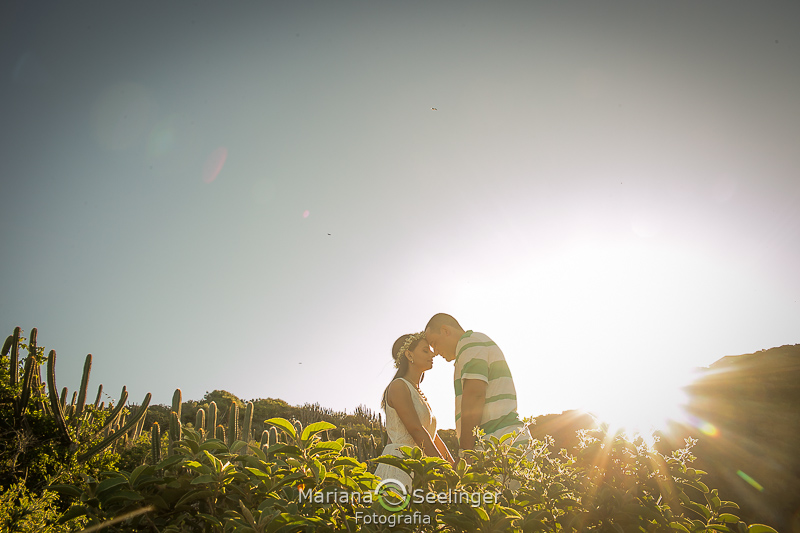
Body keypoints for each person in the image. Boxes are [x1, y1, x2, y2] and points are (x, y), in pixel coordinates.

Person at [424, 313, 529, 460]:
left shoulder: (469, 344)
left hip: (500, 444)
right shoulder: (471, 345)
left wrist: (465, 453)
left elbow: (474, 395)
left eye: (434, 343)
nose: (435, 352)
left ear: (445, 331)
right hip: (501, 442)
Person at [375, 332, 455, 488]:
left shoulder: (417, 392)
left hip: (419, 465)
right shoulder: (399, 386)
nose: (432, 353)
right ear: (409, 355)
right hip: (400, 466)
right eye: (425, 350)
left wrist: (452, 467)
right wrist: (442, 468)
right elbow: (416, 430)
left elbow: (433, 437)